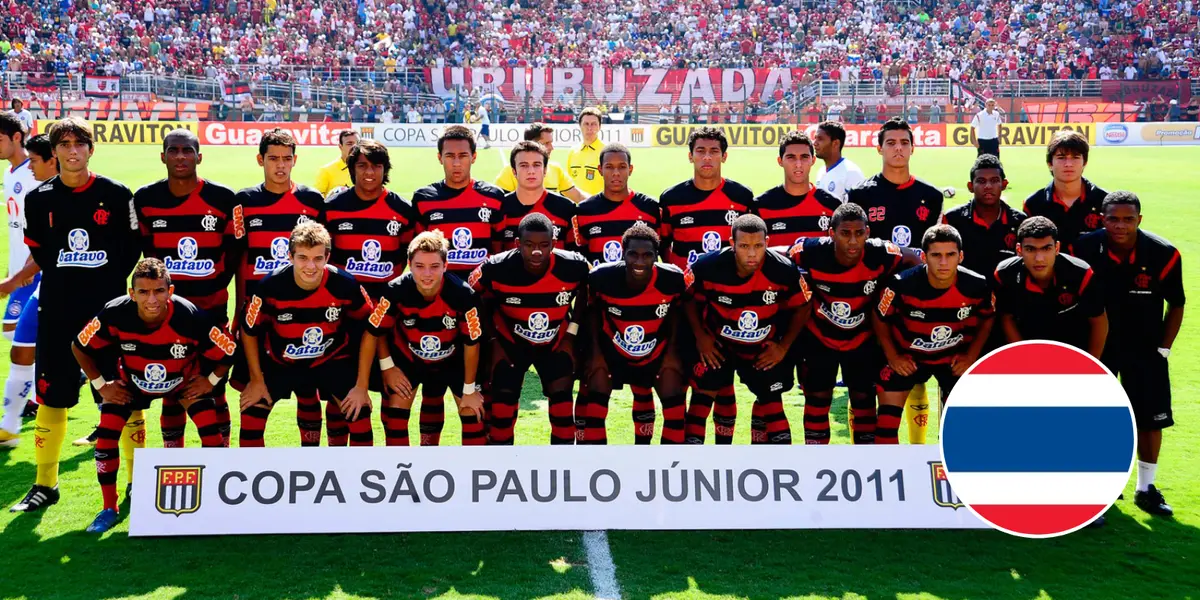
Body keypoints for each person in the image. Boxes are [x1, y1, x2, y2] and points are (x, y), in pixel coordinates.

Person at [12, 117, 142, 513]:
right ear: (54, 152)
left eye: (79, 143)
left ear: (90, 148)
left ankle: (138, 482)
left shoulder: (117, 195)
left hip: (108, 316)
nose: (72, 151)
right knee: (52, 397)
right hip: (58, 314)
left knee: (124, 396)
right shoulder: (39, 200)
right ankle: (45, 483)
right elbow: (40, 251)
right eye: (64, 144)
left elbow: (131, 248)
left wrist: (103, 283)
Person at [73, 258, 235, 533]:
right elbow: (79, 346)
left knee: (212, 436)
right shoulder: (114, 312)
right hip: (131, 385)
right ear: (131, 293)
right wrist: (101, 385)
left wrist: (210, 381)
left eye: (159, 291)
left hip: (182, 384)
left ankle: (213, 503)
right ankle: (108, 508)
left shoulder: (190, 315)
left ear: (170, 291)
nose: (151, 299)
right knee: (105, 440)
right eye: (144, 292)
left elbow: (229, 351)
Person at [1071, 191, 1183, 518]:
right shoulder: (1083, 249)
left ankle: (1146, 488)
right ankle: (1102, 490)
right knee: (1096, 417)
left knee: (1150, 419)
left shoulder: (1164, 253)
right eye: (1113, 219)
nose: (1120, 225)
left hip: (1145, 348)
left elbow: (1177, 303)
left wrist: (1164, 347)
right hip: (1098, 348)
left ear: (1139, 220)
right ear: (1101, 219)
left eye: (1128, 219)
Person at [133, 129, 239, 448]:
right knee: (172, 388)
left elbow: (233, 255)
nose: (181, 157)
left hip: (211, 312)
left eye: (187, 151)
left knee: (214, 387)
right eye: (174, 151)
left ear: (199, 156)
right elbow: (143, 252)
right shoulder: (145, 199)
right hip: (164, 315)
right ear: (163, 156)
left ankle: (222, 459)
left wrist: (214, 289)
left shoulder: (223, 198)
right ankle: (171, 458)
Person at [230, 129, 332, 446]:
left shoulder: (312, 201)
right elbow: (236, 258)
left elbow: (324, 258)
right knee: (254, 400)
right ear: (260, 159)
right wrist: (239, 311)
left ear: (295, 161)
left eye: (286, 159)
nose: (280, 165)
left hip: (307, 317)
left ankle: (311, 463)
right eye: (273, 158)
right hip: (259, 318)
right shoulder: (243, 202)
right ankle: (250, 472)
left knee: (310, 394)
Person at [847, 117, 945, 445]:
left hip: (916, 303)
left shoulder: (929, 196)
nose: (898, 148)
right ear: (879, 148)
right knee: (863, 383)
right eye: (891, 143)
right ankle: (865, 452)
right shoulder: (860, 193)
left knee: (914, 378)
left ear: (913, 147)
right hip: (869, 299)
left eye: (904, 142)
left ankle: (916, 452)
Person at [409, 126, 507, 444]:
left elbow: (499, 255)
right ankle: (427, 461)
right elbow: (416, 257)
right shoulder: (424, 200)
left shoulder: (493, 198)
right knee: (433, 390)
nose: (456, 163)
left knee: (476, 396)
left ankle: (477, 469)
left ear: (474, 157)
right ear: (439, 158)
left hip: (479, 310)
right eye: (449, 156)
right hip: (434, 309)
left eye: (463, 155)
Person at [238, 221, 375, 447]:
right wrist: (256, 380)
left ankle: (358, 477)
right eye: (302, 258)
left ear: (327, 257)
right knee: (251, 411)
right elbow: (249, 328)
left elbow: (371, 328)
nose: (310, 266)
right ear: (290, 257)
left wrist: (361, 386)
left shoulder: (345, 284)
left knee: (359, 412)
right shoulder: (269, 286)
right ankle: (251, 477)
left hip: (331, 360)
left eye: (318, 258)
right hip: (282, 362)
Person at [659, 127, 755, 444]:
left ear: (724, 156)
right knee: (686, 381)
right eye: (700, 151)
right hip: (685, 307)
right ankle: (687, 454)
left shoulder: (742, 198)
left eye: (714, 151)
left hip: (727, 307)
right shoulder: (672, 199)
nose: (707, 157)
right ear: (690, 156)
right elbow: (663, 250)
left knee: (723, 384)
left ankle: (722, 453)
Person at [682, 214, 812, 445]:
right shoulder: (707, 267)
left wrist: (783, 347)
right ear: (731, 244)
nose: (751, 253)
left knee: (771, 401)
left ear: (767, 243)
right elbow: (688, 299)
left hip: (762, 347)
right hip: (718, 345)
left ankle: (778, 467)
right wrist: (701, 336)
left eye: (758, 246)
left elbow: (803, 305)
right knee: (702, 399)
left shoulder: (784, 270)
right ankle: (693, 467)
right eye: (743, 246)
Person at [788, 203, 908, 445]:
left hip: (862, 339)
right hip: (819, 337)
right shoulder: (809, 252)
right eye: (845, 233)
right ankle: (816, 462)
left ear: (868, 232)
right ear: (831, 234)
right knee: (817, 400)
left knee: (863, 399)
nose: (853, 241)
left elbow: (914, 259)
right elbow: (778, 257)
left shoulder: (884, 254)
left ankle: (863, 463)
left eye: (859, 233)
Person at [468, 213, 589, 445]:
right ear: (517, 244)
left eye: (544, 245)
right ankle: (501, 470)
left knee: (563, 404)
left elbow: (588, 290)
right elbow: (471, 298)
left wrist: (571, 333)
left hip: (555, 342)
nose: (537, 252)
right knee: (502, 408)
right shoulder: (496, 267)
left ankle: (561, 470)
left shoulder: (574, 266)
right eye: (529, 245)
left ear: (554, 244)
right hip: (509, 344)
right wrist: (493, 340)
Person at [871, 224, 994, 444]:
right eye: (936, 255)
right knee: (885, 429)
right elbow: (879, 318)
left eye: (950, 255)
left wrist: (971, 357)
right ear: (924, 256)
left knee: (962, 430)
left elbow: (988, 319)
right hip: (908, 358)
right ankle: (897, 476)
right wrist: (893, 357)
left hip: (952, 359)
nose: (944, 262)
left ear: (961, 256)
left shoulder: (977, 285)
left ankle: (948, 474)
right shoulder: (901, 285)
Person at [366, 231, 487, 445]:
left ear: (446, 265)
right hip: (410, 360)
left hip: (454, 360)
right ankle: (399, 472)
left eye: (434, 266)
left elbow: (472, 343)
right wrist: (387, 367)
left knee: (472, 413)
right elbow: (375, 332)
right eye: (420, 266)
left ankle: (472, 473)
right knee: (395, 415)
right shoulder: (395, 290)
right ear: (409, 264)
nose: (427, 274)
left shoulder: (463, 295)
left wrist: (469, 389)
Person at [582, 222, 687, 444]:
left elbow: (678, 314)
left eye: (647, 255)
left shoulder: (672, 279)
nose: (639, 261)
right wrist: (596, 355)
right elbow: (591, 313)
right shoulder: (602, 278)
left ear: (657, 256)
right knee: (596, 388)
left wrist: (672, 354)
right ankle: (593, 462)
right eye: (633, 254)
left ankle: (667, 466)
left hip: (655, 350)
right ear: (622, 254)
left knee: (674, 398)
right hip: (613, 352)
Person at [994, 217, 1107, 356]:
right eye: (1030, 249)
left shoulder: (1081, 273)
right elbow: (1007, 318)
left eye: (1046, 248)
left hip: (1073, 348)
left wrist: (1090, 366)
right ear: (1019, 250)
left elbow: (1098, 321)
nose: (1039, 258)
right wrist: (1024, 357)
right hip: (1028, 345)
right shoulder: (1005, 274)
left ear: (1057, 248)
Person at [324, 139, 417, 301]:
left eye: (376, 166)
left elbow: (406, 255)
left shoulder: (403, 209)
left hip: (387, 300)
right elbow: (324, 254)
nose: (369, 172)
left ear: (385, 169)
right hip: (342, 300)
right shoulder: (331, 207)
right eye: (362, 166)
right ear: (352, 169)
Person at [0, 114, 43, 446]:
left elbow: (41, 233)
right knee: (18, 336)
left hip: (34, 272)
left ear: (17, 137)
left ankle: (10, 423)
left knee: (19, 340)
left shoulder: (35, 173)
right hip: (22, 268)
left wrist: (19, 277)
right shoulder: (9, 172)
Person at [571, 143, 660, 267]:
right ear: (600, 170)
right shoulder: (584, 210)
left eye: (622, 167)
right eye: (609, 167)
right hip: (599, 285)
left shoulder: (650, 207)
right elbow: (580, 258)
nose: (616, 173)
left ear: (630, 169)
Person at [944, 154, 1027, 278]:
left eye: (994, 180)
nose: (988, 186)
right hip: (967, 293)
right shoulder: (952, 219)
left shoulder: (1020, 221)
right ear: (970, 186)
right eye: (981, 181)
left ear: (1004, 185)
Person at [756, 131, 843, 249]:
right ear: (780, 161)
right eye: (791, 157)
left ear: (813, 160)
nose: (798, 164)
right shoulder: (761, 206)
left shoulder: (832, 205)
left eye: (804, 157)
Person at [1023, 130, 1109, 248]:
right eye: (1061, 157)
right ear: (1050, 163)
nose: (1068, 164)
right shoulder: (1034, 203)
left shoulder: (1105, 201)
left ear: (1085, 162)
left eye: (1075, 157)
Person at [498, 141, 578, 247]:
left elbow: (575, 257)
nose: (531, 171)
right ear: (514, 171)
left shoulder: (566, 208)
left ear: (545, 170)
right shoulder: (500, 208)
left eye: (536, 165)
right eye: (524, 165)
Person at [493, 123, 584, 202]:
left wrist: (597, 204)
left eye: (551, 143)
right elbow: (497, 202)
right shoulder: (511, 171)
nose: (551, 148)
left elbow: (578, 196)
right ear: (531, 144)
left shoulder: (556, 169)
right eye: (546, 143)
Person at [812, 121, 865, 202]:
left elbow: (862, 208)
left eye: (820, 139)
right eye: (815, 138)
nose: (814, 143)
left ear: (835, 143)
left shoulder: (851, 172)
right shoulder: (821, 171)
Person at [566, 107, 605, 197]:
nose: (590, 128)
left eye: (594, 124)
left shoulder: (606, 152)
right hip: (576, 208)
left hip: (597, 208)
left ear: (600, 127)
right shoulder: (573, 152)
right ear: (580, 126)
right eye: (586, 124)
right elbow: (568, 184)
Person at [314, 129, 358, 198]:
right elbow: (316, 199)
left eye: (357, 143)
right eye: (349, 144)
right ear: (340, 147)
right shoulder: (326, 170)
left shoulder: (367, 169)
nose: (355, 147)